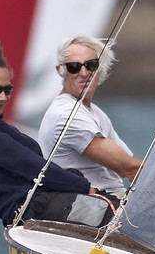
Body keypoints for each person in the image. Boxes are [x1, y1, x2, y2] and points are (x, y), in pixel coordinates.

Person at [0, 36, 114, 228]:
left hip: (45, 204)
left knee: (123, 208)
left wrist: (78, 182)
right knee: (117, 214)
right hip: (32, 210)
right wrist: (85, 187)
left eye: (7, 89)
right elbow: (29, 165)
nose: (2, 97)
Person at [38, 35, 143, 201]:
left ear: (99, 69)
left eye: (91, 65)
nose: (84, 73)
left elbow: (129, 162)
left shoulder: (93, 112)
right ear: (61, 71)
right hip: (95, 206)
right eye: (74, 67)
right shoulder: (66, 114)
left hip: (113, 200)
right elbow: (127, 168)